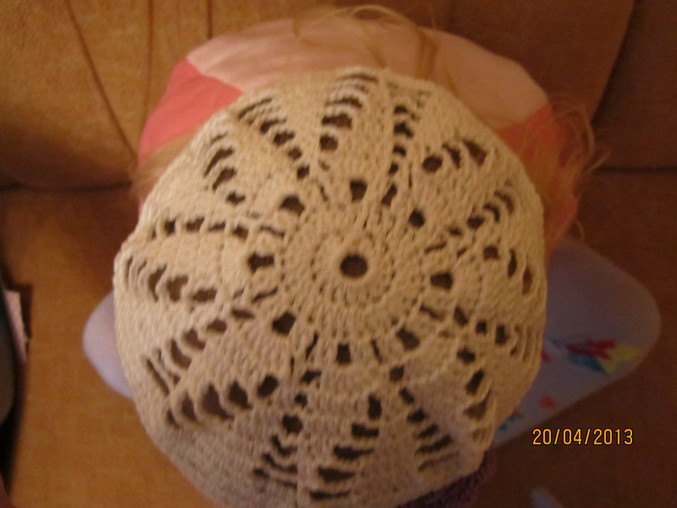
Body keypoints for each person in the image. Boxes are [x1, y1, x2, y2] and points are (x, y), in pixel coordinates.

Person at [84, 7, 660, 507]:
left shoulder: (521, 165)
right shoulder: (188, 185)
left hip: (485, 183)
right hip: (237, 126)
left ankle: (485, 425)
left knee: (629, 326)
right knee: (111, 346)